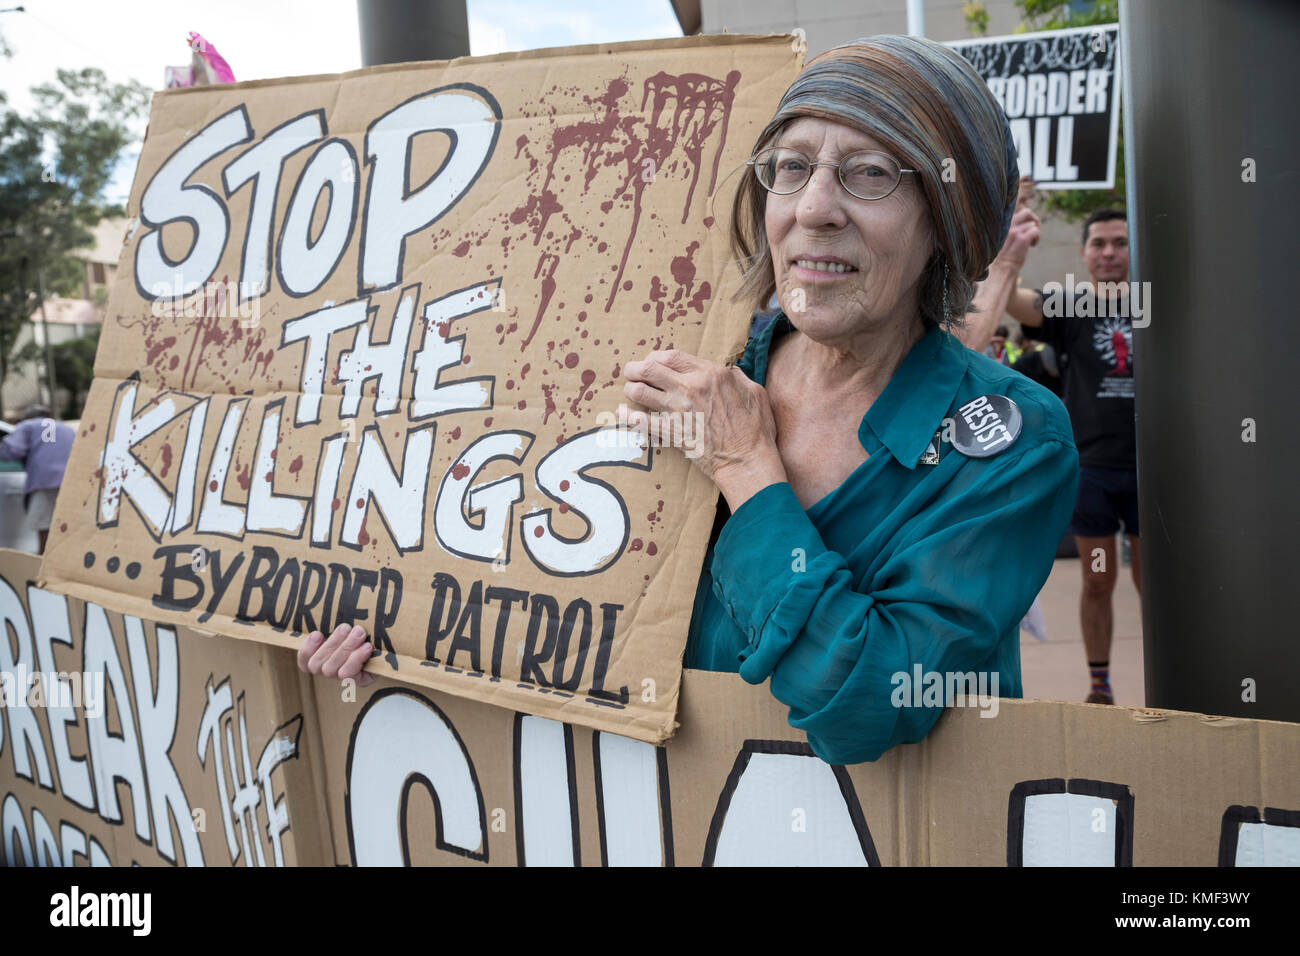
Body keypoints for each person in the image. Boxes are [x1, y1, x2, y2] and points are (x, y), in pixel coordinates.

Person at [299, 35, 1080, 763]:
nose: (814, 208)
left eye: (871, 173)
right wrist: (400, 637)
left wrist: (746, 469)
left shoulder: (1013, 440)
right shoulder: (685, 365)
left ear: (946, 220)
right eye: (792, 167)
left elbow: (866, 701)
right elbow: (537, 608)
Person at [1001, 209, 1137, 704]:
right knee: (1099, 579)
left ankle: (1174, 689)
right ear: (1083, 253)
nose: (1108, 253)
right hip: (1096, 473)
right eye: (1098, 243)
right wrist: (1013, 247)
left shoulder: (1159, 305)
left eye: (1119, 243)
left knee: (1155, 587)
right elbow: (1013, 301)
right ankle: (1100, 686)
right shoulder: (1072, 309)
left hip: (1158, 473)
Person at [0, 403, 75, 553]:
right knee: (67, 529)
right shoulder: (67, 429)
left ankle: (43, 568)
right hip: (71, 484)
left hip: (45, 482)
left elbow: (14, 450)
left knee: (45, 529)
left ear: (28, 417)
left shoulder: (27, 426)